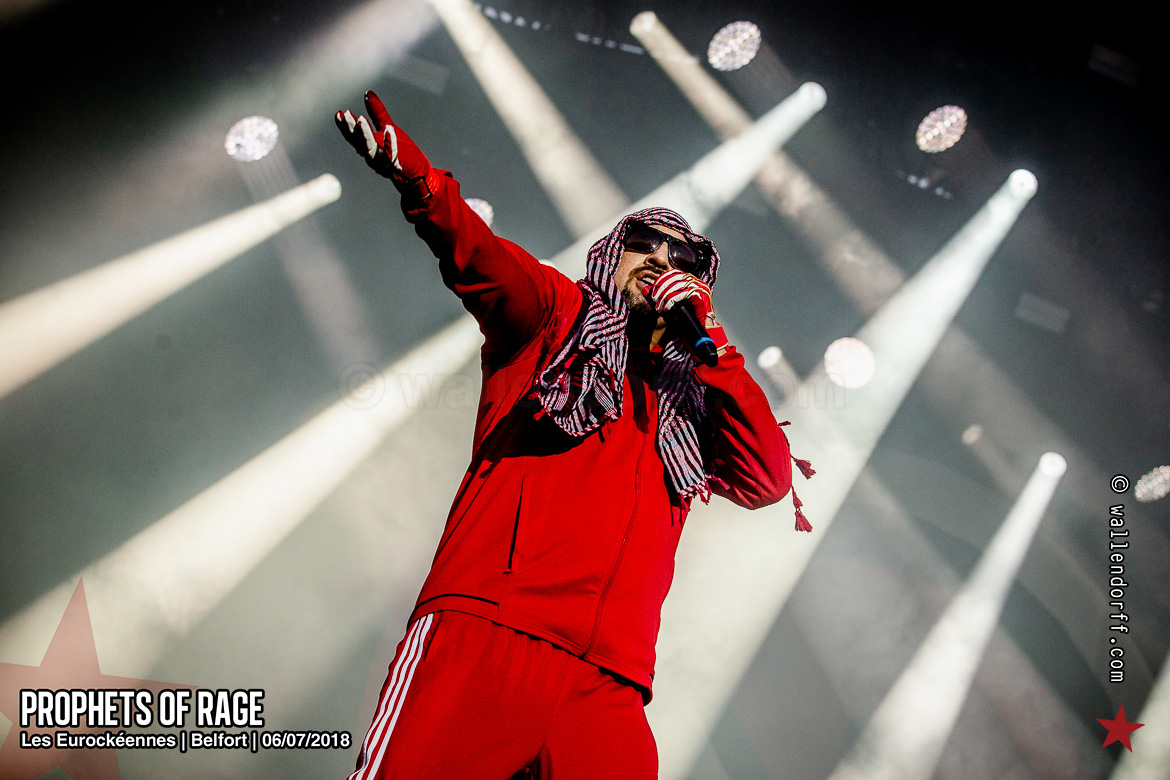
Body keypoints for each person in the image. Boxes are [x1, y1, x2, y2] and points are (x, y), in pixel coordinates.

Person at [335, 91, 812, 779]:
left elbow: (767, 479)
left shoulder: (692, 396)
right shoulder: (557, 319)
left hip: (608, 679)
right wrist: (422, 185)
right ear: (611, 257)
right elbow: (484, 261)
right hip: (489, 632)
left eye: (680, 257)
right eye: (642, 245)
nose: (659, 260)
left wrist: (715, 350)